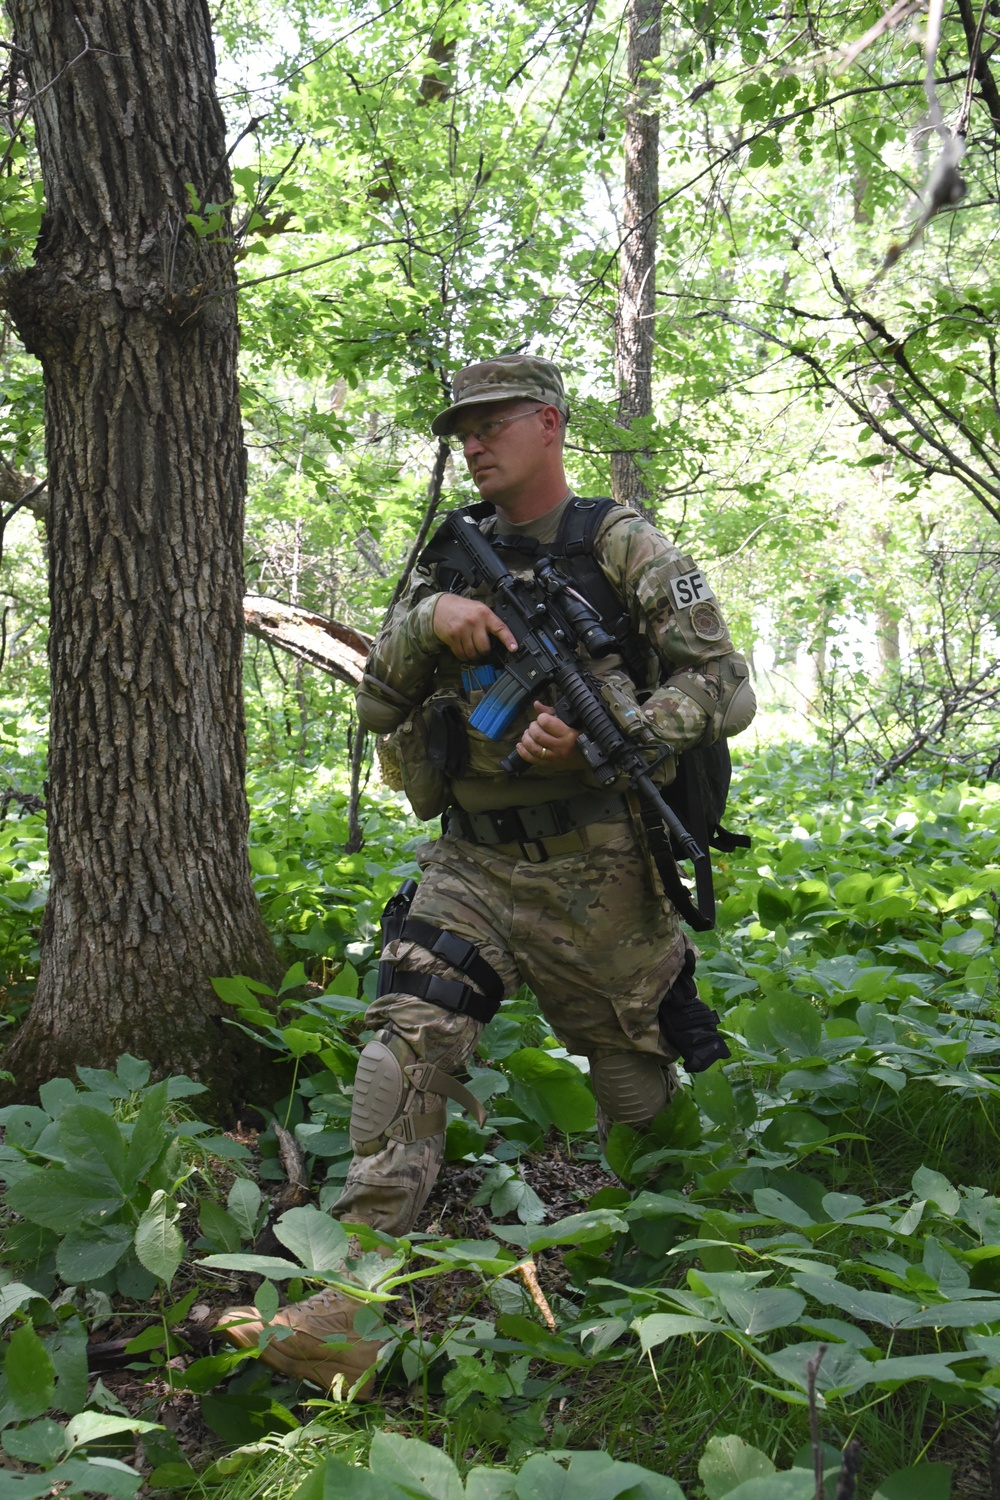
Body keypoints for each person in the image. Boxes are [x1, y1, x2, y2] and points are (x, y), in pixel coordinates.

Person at [217, 353, 754, 1391]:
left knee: (635, 1077)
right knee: (405, 1038)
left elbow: (723, 683)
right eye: (461, 426)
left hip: (596, 866)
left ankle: (676, 1260)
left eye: (492, 421)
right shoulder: (447, 559)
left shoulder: (624, 545)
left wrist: (624, 738)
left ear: (548, 424)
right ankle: (353, 1297)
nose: (471, 441)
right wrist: (428, 626)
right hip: (468, 861)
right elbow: (379, 704)